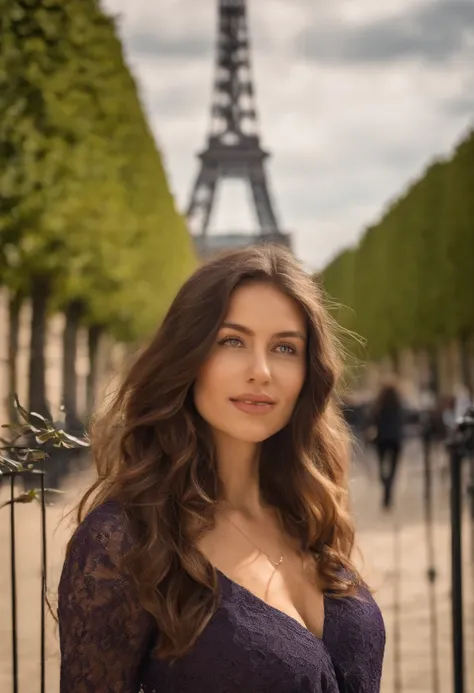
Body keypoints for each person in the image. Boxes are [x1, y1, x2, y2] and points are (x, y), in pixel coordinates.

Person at [58, 244, 385, 693]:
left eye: (285, 348)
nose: (262, 371)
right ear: (188, 358)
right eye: (232, 341)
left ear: (308, 372)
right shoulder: (124, 541)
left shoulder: (308, 513)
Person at [371, 378, 405, 509]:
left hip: (382, 439)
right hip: (396, 439)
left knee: (382, 467)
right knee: (393, 468)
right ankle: (389, 489)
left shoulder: (379, 405)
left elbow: (373, 420)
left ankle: (385, 483)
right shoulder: (398, 404)